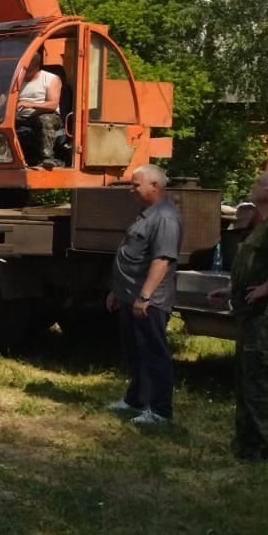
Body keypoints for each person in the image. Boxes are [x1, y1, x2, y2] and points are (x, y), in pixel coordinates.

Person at [105, 164, 182, 424]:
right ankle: (135, 400)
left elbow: (162, 259)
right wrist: (119, 292)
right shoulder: (148, 213)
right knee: (135, 351)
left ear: (155, 186)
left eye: (135, 184)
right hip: (130, 296)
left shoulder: (165, 218)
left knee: (153, 353)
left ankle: (160, 411)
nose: (131, 189)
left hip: (150, 301)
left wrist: (145, 296)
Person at [219, 170, 268, 462]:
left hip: (266, 311)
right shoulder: (265, 221)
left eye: (259, 183)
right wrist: (231, 287)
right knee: (248, 376)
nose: (252, 184)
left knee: (263, 378)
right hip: (251, 310)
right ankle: (250, 448)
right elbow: (256, 261)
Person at [15, 56, 64, 168]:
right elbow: (8, 98)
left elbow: (52, 104)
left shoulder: (51, 78)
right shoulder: (18, 80)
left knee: (44, 119)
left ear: (35, 64)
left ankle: (47, 158)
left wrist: (30, 104)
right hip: (22, 116)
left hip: (45, 114)